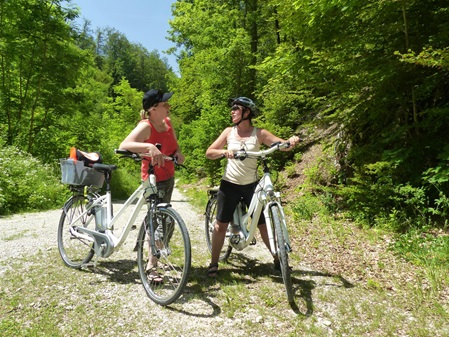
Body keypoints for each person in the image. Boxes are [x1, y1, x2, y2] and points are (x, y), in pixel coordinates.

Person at [205, 97, 300, 278]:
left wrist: (291, 141)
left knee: (264, 224)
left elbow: (281, 145)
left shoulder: (259, 133)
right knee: (220, 225)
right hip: (230, 184)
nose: (232, 112)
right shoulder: (228, 132)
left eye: (236, 109)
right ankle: (214, 263)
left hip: (251, 185)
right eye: (232, 109)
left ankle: (278, 259)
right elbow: (210, 152)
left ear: (246, 113)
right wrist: (224, 152)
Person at [119, 89, 184, 283]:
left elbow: (174, 145)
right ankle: (151, 265)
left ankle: (155, 251)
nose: (169, 107)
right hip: (152, 178)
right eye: (165, 104)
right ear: (153, 108)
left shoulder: (168, 123)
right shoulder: (145, 126)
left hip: (169, 176)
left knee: (166, 220)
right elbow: (125, 145)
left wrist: (179, 153)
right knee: (156, 221)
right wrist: (149, 147)